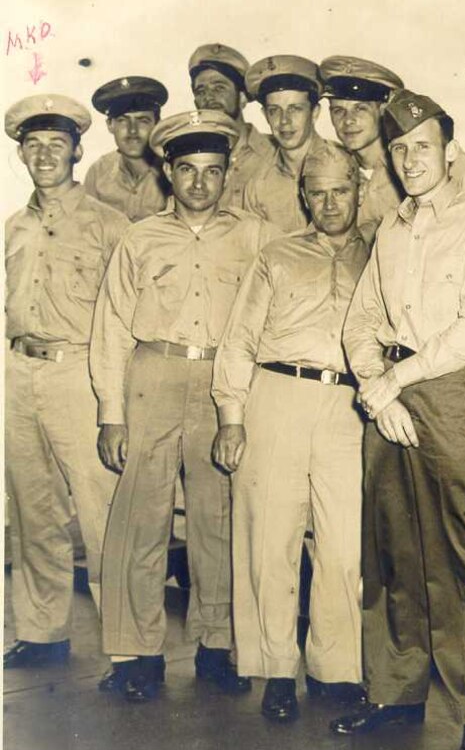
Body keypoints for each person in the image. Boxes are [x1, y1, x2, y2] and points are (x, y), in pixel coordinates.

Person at [332, 90, 465, 750]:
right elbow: (360, 321)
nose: (411, 159)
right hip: (391, 396)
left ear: (448, 150)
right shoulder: (391, 229)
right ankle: (396, 692)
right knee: (394, 550)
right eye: (400, 148)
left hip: (448, 391)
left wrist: (397, 384)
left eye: (423, 147)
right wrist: (377, 388)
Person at [91, 110, 280, 702]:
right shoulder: (139, 238)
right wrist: (111, 413)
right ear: (169, 172)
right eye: (188, 170)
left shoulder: (255, 235)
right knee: (140, 517)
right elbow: (113, 328)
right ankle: (138, 655)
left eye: (213, 171)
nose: (201, 183)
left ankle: (217, 646)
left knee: (217, 515)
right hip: (154, 371)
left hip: (223, 379)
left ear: (227, 175)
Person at [211, 141, 367, 723]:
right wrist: (231, 417)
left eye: (341, 190)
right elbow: (240, 340)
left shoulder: (379, 256)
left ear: (359, 188)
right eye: (318, 192)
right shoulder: (276, 257)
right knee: (270, 541)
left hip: (349, 408)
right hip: (274, 398)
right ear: (304, 196)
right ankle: (277, 668)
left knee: (343, 546)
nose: (330, 203)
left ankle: (337, 669)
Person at [3, 94, 128, 669]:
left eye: (57, 145)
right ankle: (42, 629)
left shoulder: (109, 224)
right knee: (33, 509)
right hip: (21, 369)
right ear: (22, 153)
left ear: (78, 151)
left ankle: (128, 644)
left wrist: (112, 397)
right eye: (34, 145)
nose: (45, 154)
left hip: (78, 372)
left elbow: (123, 316)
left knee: (102, 508)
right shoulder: (15, 226)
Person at [318, 55, 404, 244]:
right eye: (338, 111)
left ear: (383, 109)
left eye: (360, 109)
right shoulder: (332, 171)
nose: (348, 121)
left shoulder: (408, 168)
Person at [241, 55, 332, 231]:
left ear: (315, 112)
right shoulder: (257, 185)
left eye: (295, 109)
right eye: (275, 111)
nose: (284, 121)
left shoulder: (345, 166)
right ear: (265, 115)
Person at [188, 43, 276, 208]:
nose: (209, 98)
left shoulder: (277, 153)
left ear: (242, 98)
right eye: (201, 91)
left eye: (219, 88)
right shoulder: (190, 159)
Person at [85, 76, 170, 221]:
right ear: (110, 125)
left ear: (157, 125)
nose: (132, 131)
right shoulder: (98, 172)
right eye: (123, 120)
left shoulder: (173, 171)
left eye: (142, 120)